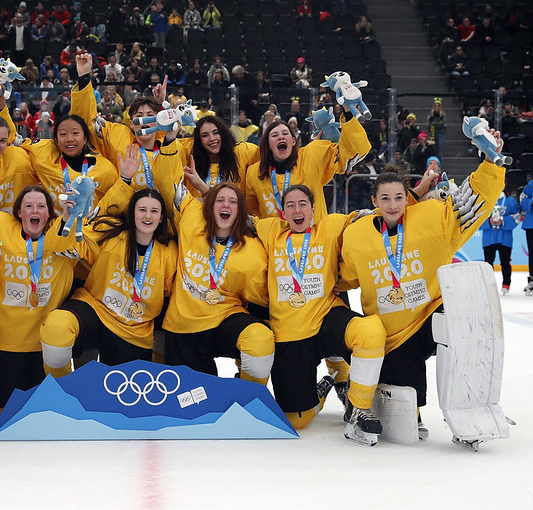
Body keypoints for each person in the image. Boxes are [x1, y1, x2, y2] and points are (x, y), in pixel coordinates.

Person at [339, 131, 506, 436]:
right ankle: (398, 406)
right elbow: (344, 276)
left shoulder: (432, 217)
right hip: (392, 334)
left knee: (464, 322)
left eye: (399, 197)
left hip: (431, 313)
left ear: (408, 199)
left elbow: (476, 200)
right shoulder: (356, 233)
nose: (393, 205)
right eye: (385, 198)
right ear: (374, 200)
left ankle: (468, 404)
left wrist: (491, 163)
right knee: (404, 427)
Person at [255, 184, 387, 442]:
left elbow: (375, 214)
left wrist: (419, 193)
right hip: (290, 333)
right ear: (283, 214)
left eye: (303, 204)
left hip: (327, 318)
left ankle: (358, 407)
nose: (297, 210)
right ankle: (323, 390)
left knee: (370, 331)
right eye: (290, 205)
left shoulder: (330, 226)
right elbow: (230, 216)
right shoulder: (270, 230)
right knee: (297, 420)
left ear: (314, 210)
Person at [40, 147, 178, 376]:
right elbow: (58, 246)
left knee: (125, 392)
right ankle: (61, 388)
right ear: (132, 212)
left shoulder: (169, 251)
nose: (147, 216)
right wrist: (68, 217)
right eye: (142, 209)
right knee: (56, 328)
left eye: (154, 211)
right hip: (96, 308)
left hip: (134, 329)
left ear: (162, 217)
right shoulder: (110, 233)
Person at [151, 137, 274, 386]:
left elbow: (267, 294)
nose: (225, 205)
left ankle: (250, 396)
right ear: (209, 205)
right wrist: (169, 140)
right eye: (219, 200)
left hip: (224, 318)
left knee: (259, 337)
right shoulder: (192, 216)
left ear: (240, 211)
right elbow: (168, 182)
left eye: (232, 202)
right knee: (193, 399)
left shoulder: (253, 250)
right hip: (183, 326)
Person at [0, 185, 78, 409]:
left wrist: (69, 213)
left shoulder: (62, 237)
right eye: (28, 206)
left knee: (46, 413)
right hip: (7, 345)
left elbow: (71, 233)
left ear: (49, 214)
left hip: (44, 347)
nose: (34, 211)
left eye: (41, 206)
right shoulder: (2, 228)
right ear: (19, 212)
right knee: (6, 411)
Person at [70, 53, 171, 197]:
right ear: (130, 123)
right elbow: (87, 123)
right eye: (139, 116)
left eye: (150, 116)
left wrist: (161, 105)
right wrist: (84, 78)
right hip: (123, 212)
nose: (144, 121)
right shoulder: (118, 136)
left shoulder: (169, 145)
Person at [178, 115, 259, 197]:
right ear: (199, 141)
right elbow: (169, 148)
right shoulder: (190, 156)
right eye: (205, 135)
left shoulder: (245, 151)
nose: (212, 138)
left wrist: (201, 186)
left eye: (216, 132)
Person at [481, 185, 519, 295]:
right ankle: (488, 286)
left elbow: (516, 217)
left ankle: (506, 285)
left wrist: (503, 221)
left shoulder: (510, 201)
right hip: (489, 237)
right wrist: (488, 221)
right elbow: (477, 218)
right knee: (488, 263)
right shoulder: (486, 200)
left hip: (505, 238)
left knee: (505, 262)